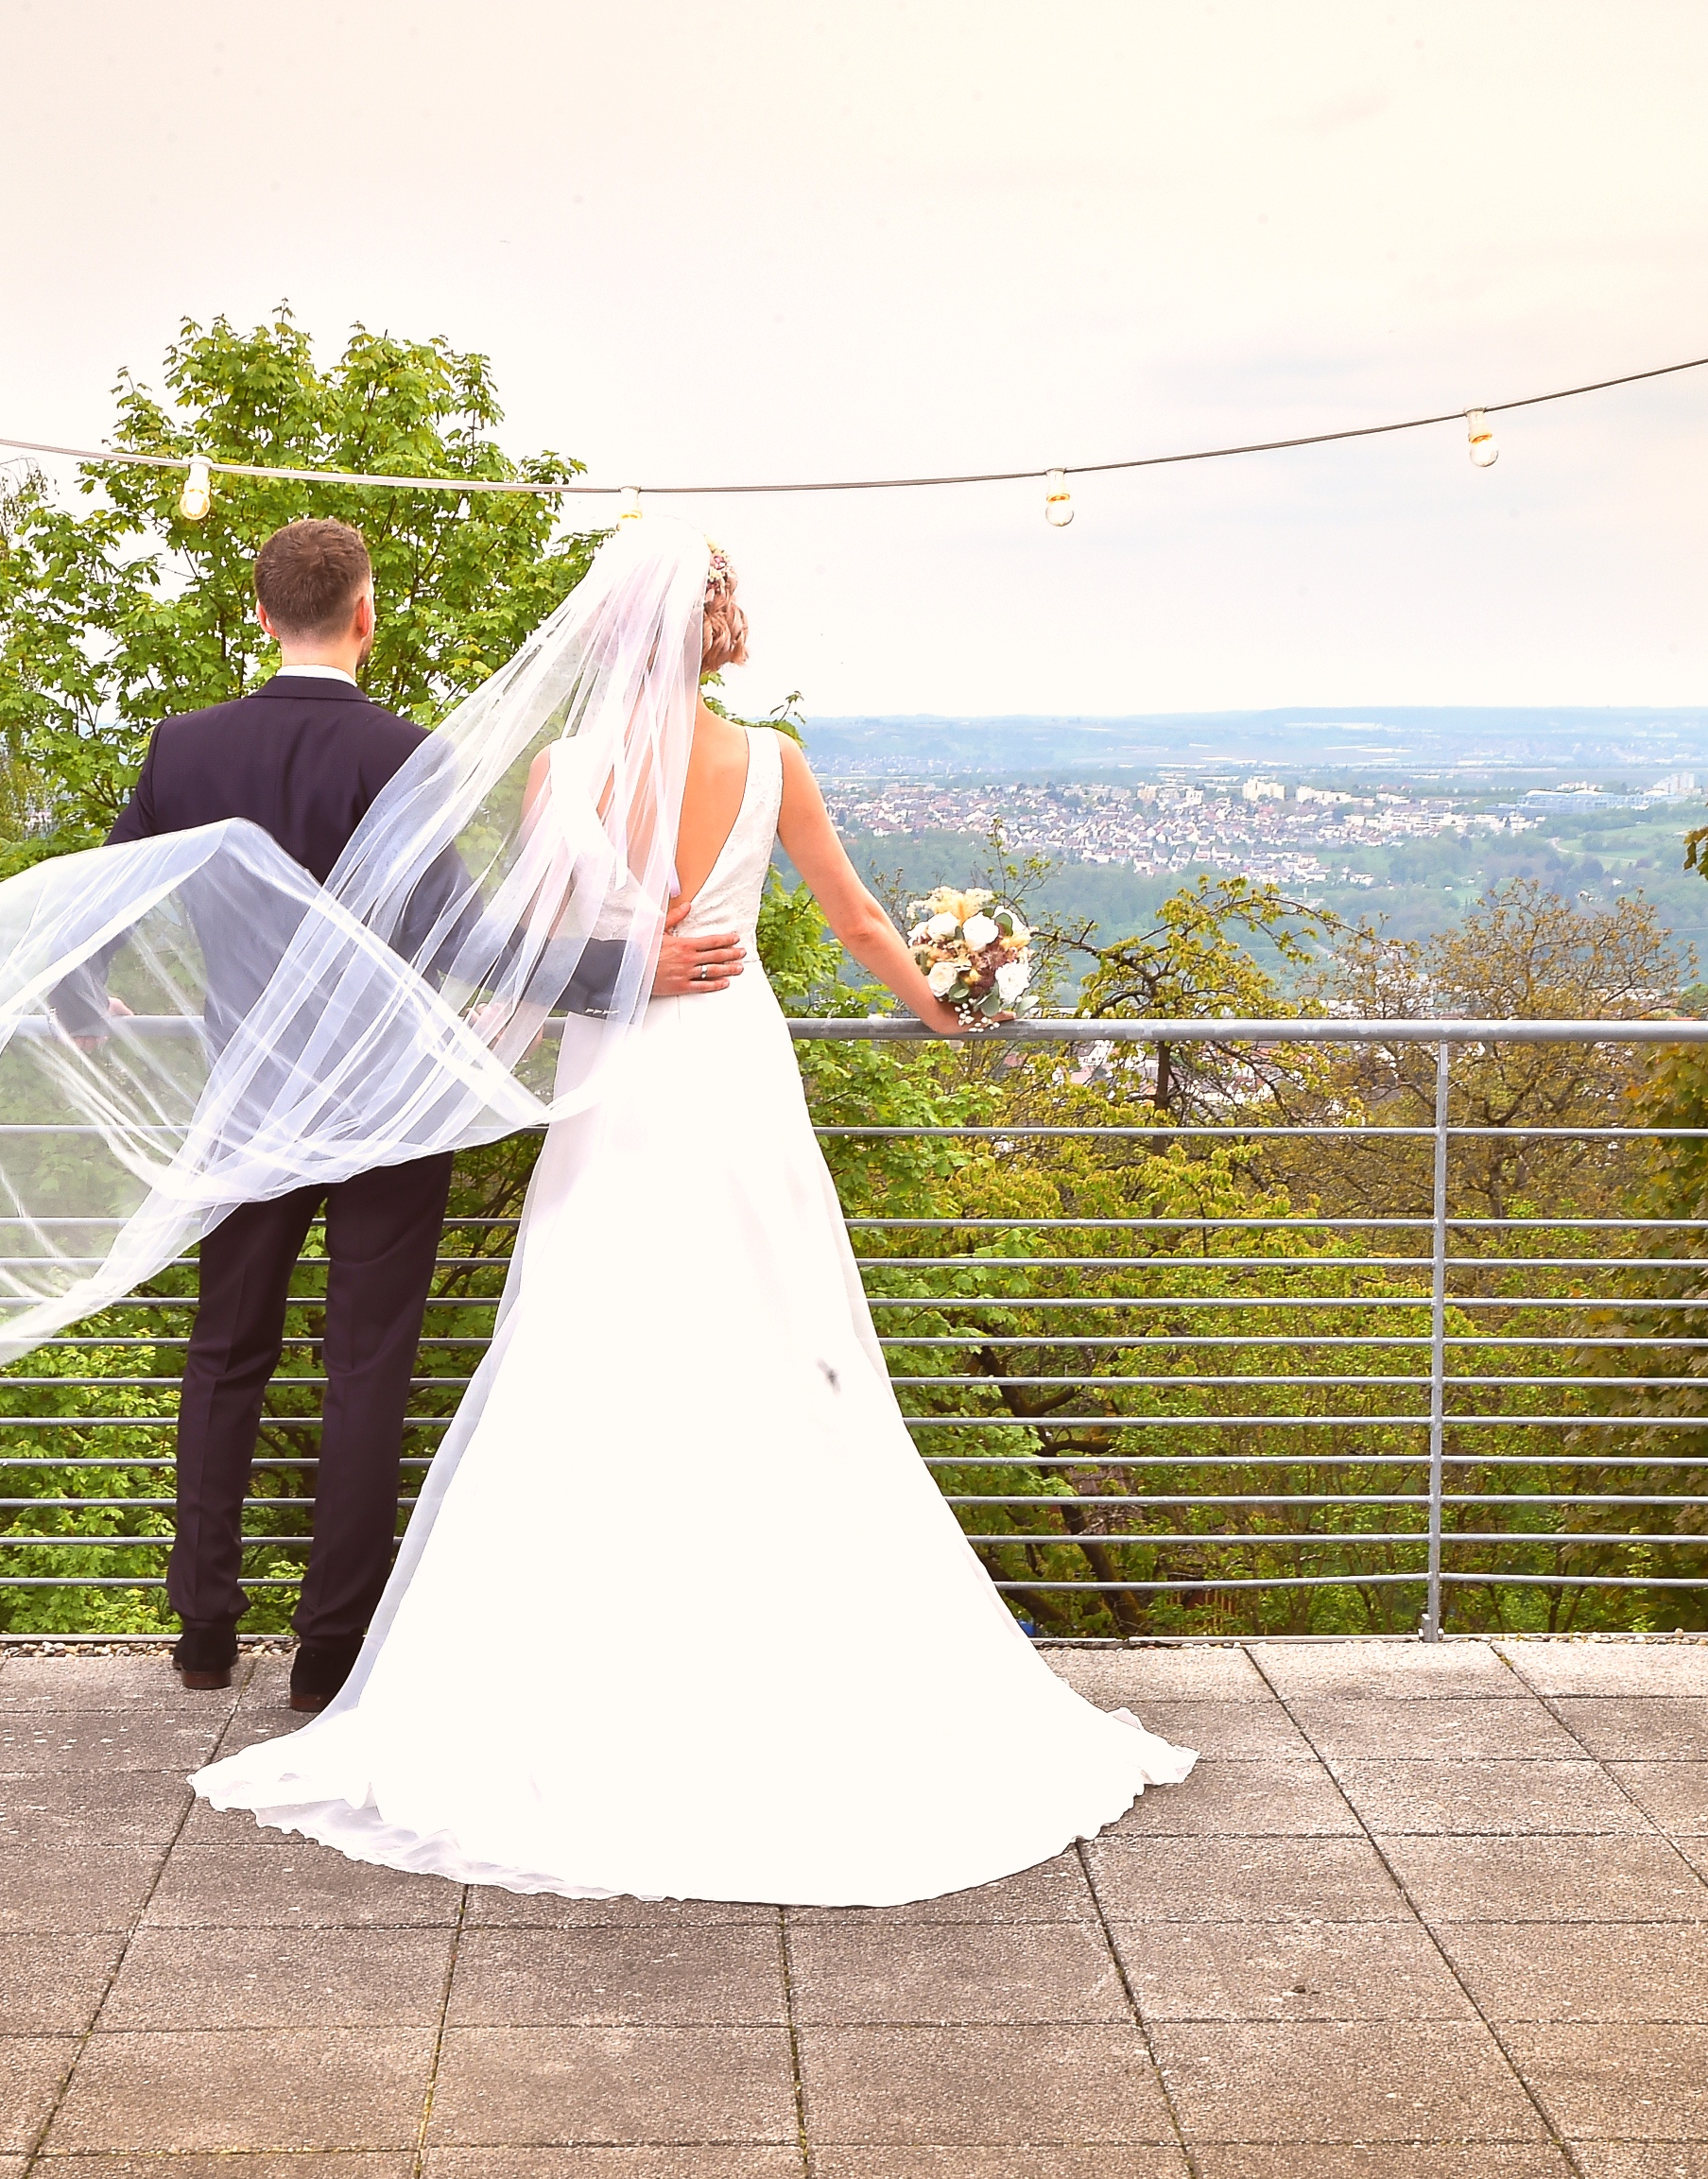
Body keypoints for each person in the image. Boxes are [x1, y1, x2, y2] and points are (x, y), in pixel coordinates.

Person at [189, 533, 1193, 1906]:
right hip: (733, 1074)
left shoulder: (564, 773)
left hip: (620, 1082)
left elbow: (532, 958)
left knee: (589, 1354)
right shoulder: (773, 760)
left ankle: (585, 1670)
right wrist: (950, 1000)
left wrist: (449, 1071)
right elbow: (849, 916)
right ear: (718, 629)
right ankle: (772, 1656)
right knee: (772, 1343)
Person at [101, 519, 741, 1707]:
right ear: (363, 614)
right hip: (388, 1099)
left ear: (259, 615)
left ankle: (201, 1629)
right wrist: (626, 973)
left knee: (224, 1352)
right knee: (367, 1365)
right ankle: (329, 1650)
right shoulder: (408, 754)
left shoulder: (181, 748)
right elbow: (472, 946)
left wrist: (87, 1007)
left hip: (246, 1097)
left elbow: (100, 899)